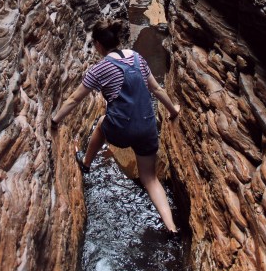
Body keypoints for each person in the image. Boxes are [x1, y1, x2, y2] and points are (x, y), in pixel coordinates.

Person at [51, 18, 181, 235]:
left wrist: (55, 120)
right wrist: (173, 111)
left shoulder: (99, 69)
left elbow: (74, 99)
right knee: (150, 178)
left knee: (102, 123)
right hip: (147, 126)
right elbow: (157, 90)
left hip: (121, 130)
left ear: (98, 45)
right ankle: (171, 227)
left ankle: (85, 163)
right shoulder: (138, 59)